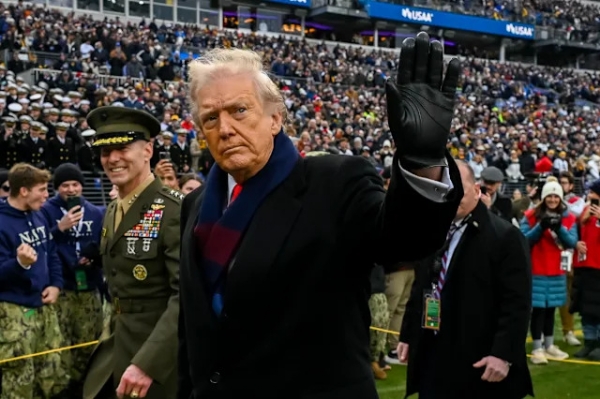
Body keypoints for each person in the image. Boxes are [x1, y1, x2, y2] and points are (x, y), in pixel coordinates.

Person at [178, 32, 464, 398]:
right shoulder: (196, 204)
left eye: (239, 110)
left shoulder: (335, 183)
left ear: (275, 118)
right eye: (211, 118)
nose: (226, 128)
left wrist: (421, 162)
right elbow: (192, 330)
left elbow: (405, 239)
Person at [398, 161, 533, 399]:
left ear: (477, 190)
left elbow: (517, 302)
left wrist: (503, 354)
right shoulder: (432, 231)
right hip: (434, 356)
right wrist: (409, 335)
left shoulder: (504, 236)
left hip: (479, 362)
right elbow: (422, 287)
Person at [82, 106, 182, 399]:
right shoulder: (113, 208)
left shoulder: (173, 210)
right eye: (105, 151)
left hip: (156, 362)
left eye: (122, 148)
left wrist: (148, 363)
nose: (112, 159)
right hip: (115, 349)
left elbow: (184, 298)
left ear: (148, 149)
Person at [0, 163, 67, 398]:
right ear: (24, 191)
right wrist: (19, 264)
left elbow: (52, 252)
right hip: (12, 313)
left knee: (51, 374)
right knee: (18, 380)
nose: (47, 195)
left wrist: (56, 284)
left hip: (44, 307)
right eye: (42, 189)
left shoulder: (37, 214)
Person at [40, 163, 105, 395]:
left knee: (88, 343)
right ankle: (62, 389)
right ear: (57, 188)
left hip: (89, 287)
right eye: (65, 185)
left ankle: (84, 387)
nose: (71, 189)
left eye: (75, 184)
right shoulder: (46, 210)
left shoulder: (97, 212)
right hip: (61, 287)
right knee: (60, 344)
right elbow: (39, 245)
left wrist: (94, 257)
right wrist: (60, 228)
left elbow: (104, 246)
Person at [520, 180, 578, 365]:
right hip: (537, 267)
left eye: (556, 196)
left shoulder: (569, 218)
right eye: (549, 196)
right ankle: (537, 347)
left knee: (551, 308)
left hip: (557, 269)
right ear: (543, 198)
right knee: (538, 309)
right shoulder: (530, 216)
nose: (552, 199)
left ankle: (549, 345)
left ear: (560, 198)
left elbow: (572, 242)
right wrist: (541, 227)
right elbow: (524, 241)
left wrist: (558, 227)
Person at [570, 179, 600, 360]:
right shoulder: (584, 212)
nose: (590, 195)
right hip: (583, 266)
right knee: (586, 308)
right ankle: (589, 343)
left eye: (594, 193)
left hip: (598, 267)